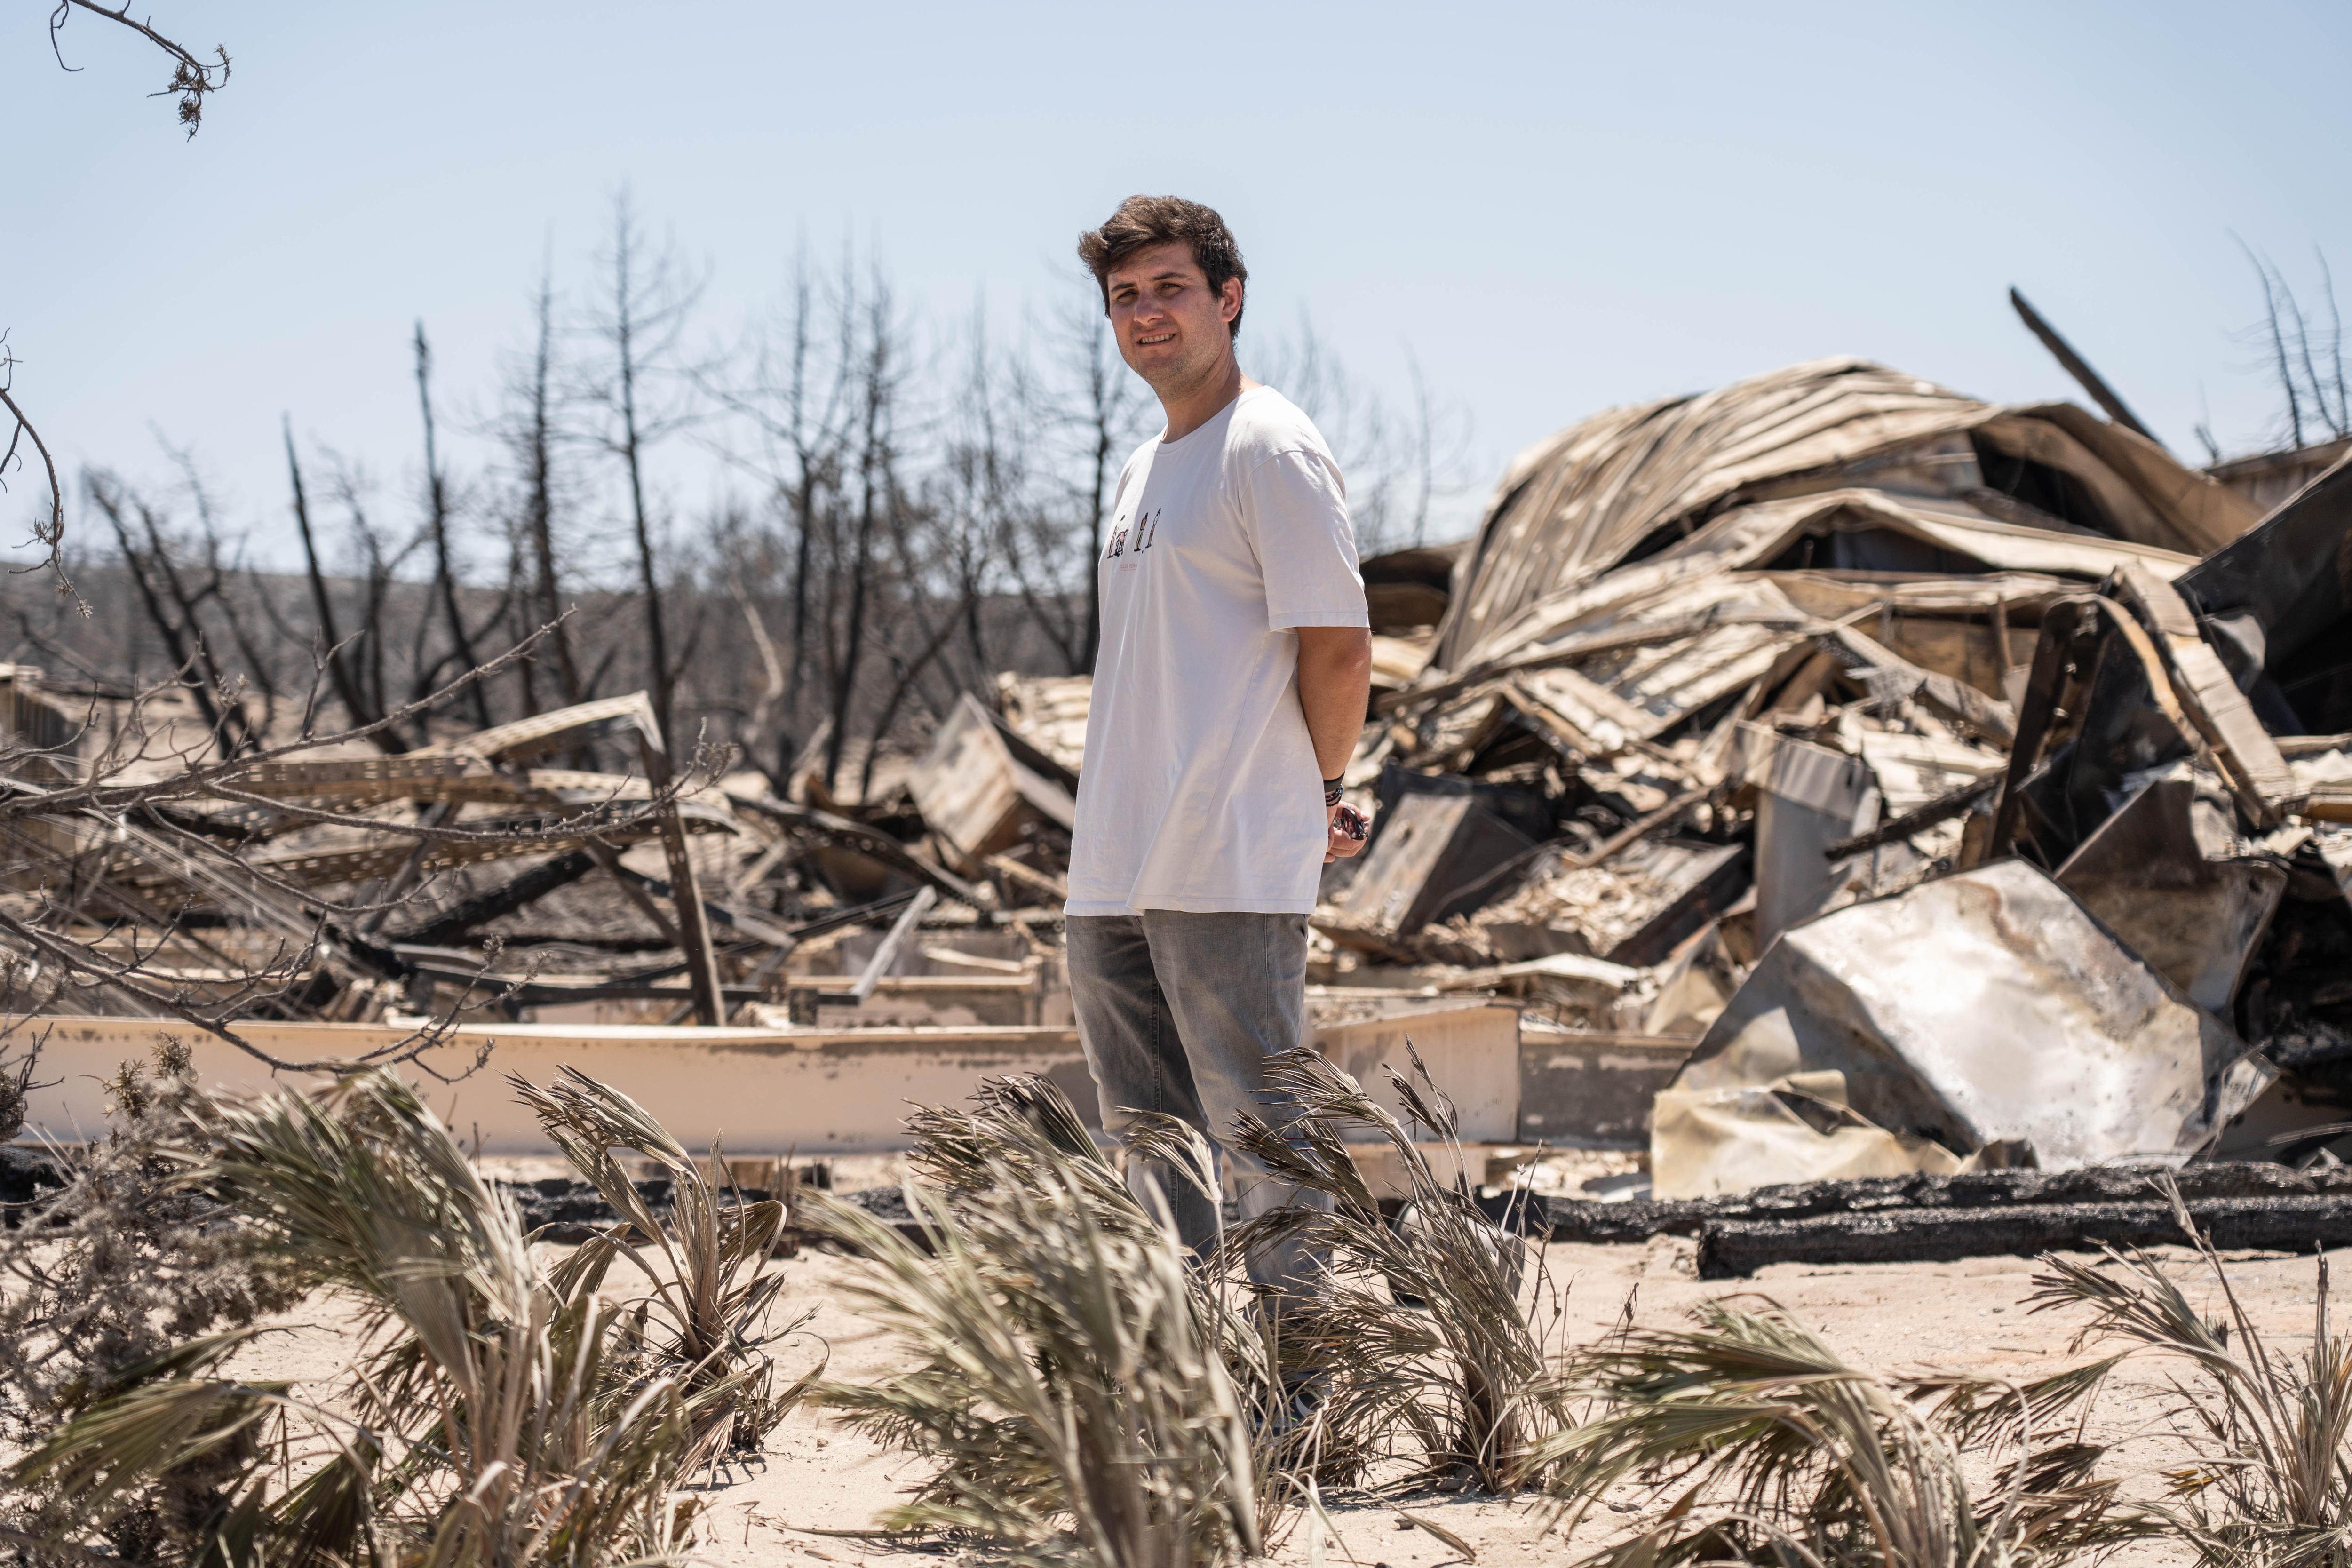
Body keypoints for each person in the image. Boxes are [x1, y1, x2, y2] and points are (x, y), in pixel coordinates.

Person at [1064, 194, 1372, 1292]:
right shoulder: (1142, 469)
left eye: (1170, 288)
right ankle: (1185, 1363)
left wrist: (1319, 785)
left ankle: (1306, 1368)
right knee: (1152, 1143)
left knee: (1267, 1130)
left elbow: (1336, 644)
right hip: (1114, 862)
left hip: (1225, 852)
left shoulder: (1269, 445)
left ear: (1229, 298)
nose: (1145, 313)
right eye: (1124, 296)